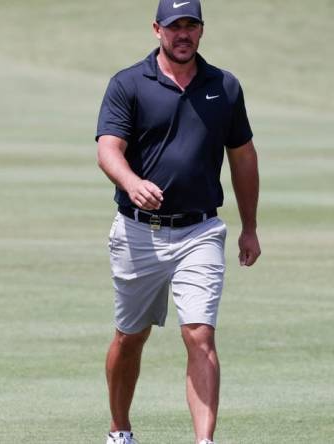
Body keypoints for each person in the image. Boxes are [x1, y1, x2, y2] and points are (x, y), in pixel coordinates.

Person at [95, 1, 260, 443]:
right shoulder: (128, 83)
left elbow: (242, 156)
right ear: (157, 30)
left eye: (191, 26)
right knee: (130, 338)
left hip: (200, 230)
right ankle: (119, 429)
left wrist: (249, 226)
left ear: (202, 30)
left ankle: (204, 441)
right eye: (174, 26)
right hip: (137, 232)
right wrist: (131, 182)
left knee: (200, 334)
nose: (182, 34)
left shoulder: (224, 86)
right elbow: (108, 148)